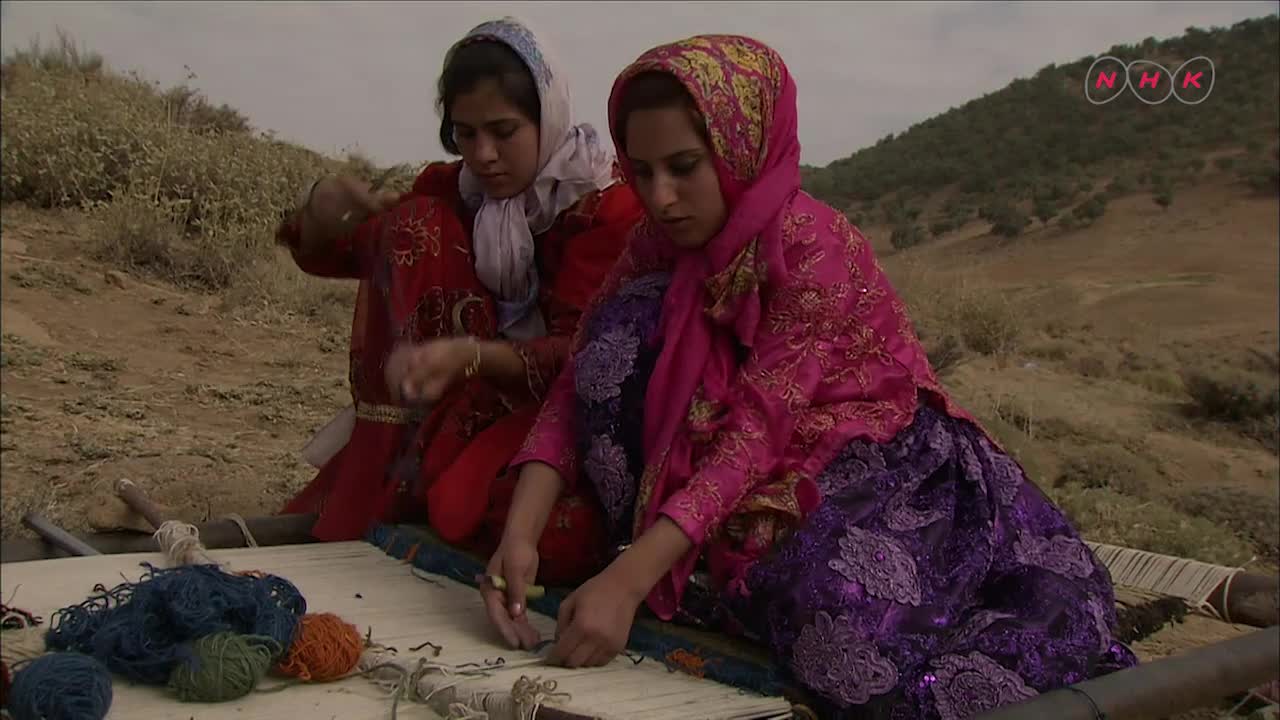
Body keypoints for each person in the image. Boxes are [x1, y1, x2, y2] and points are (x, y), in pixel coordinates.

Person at [479, 34, 1139, 718]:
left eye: (683, 167)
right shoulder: (654, 242)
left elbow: (756, 435)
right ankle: (676, 557)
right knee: (619, 332)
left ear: (741, 150)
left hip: (872, 454)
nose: (662, 197)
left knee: (836, 624)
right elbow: (573, 384)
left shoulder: (813, 246)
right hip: (737, 457)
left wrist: (625, 582)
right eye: (641, 172)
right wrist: (519, 535)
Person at [277, 17, 644, 587]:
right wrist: (326, 205)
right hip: (465, 404)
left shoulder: (604, 210)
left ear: (547, 116)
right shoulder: (456, 190)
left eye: (503, 131)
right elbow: (353, 249)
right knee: (413, 225)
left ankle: (427, 483)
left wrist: (471, 355)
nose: (484, 154)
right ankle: (396, 473)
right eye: (465, 134)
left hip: (564, 415)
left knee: (561, 530)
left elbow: (580, 362)